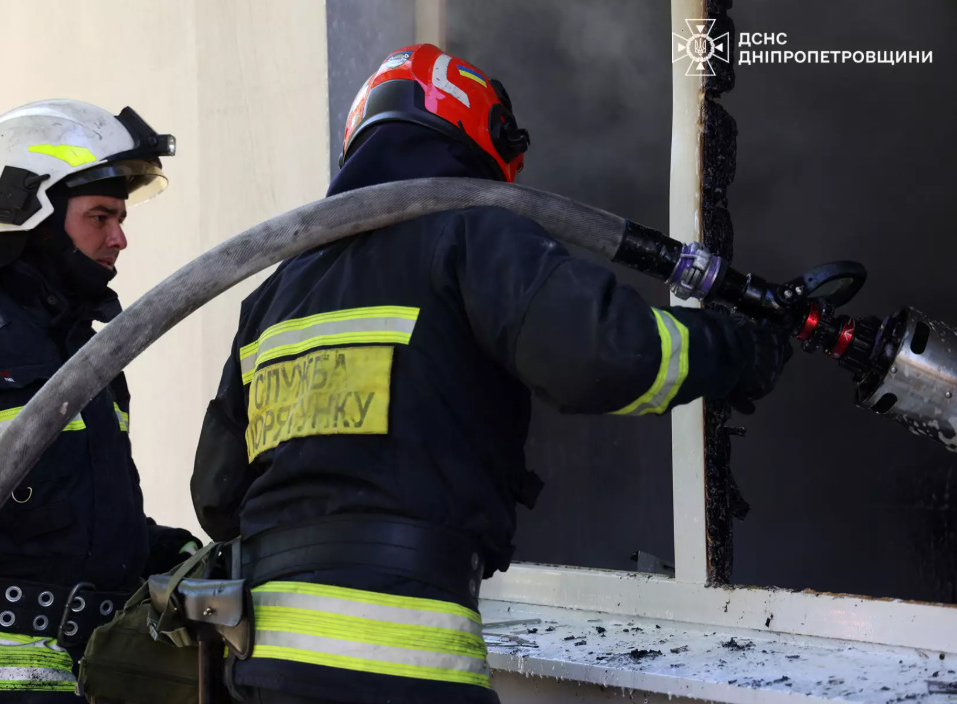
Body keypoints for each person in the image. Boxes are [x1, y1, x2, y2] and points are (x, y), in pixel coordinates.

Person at [191, 44, 792, 704]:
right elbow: (607, 356)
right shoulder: (471, 234)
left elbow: (217, 497)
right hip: (402, 668)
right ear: (481, 135)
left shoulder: (275, 294)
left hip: (267, 669)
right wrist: (736, 350)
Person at [0, 99, 200, 703]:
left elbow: (71, 524)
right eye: (99, 217)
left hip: (98, 680)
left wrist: (173, 555)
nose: (119, 238)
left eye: (120, 218)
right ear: (33, 215)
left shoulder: (89, 357)